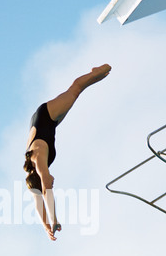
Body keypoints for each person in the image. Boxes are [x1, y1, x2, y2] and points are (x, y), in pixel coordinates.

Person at [24, 64, 112, 241]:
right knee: (75, 94)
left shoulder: (39, 161)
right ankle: (94, 76)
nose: (52, 182)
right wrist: (46, 227)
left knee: (76, 89)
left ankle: (96, 71)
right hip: (47, 125)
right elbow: (37, 201)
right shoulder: (31, 173)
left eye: (49, 182)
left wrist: (55, 219)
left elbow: (46, 189)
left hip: (45, 117)